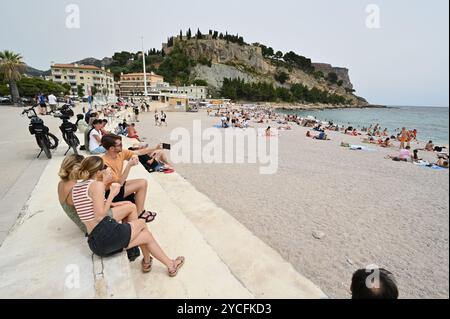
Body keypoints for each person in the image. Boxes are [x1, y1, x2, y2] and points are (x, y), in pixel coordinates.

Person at [72, 156, 185, 276]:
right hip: (106, 235)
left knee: (145, 235)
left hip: (96, 244)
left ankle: (152, 262)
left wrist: (118, 202)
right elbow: (100, 216)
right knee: (141, 223)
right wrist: (112, 193)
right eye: (105, 167)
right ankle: (160, 263)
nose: (107, 169)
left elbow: (95, 206)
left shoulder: (76, 188)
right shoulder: (96, 185)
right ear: (98, 171)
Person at [101, 134, 163, 220]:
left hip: (116, 186)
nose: (122, 145)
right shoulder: (105, 163)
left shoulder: (120, 153)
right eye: (119, 145)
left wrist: (155, 148)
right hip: (111, 192)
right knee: (142, 184)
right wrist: (129, 165)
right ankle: (139, 213)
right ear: (111, 148)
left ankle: (140, 210)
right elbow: (120, 183)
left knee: (142, 182)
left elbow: (138, 152)